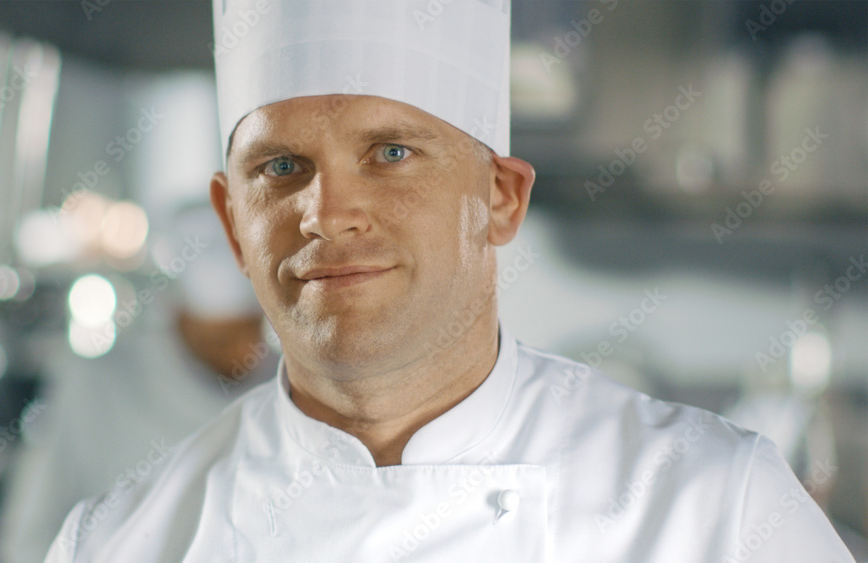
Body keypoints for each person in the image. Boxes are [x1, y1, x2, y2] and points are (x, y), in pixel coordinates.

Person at [45, 1, 855, 561]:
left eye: (391, 152)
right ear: (233, 224)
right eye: (281, 166)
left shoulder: (716, 507)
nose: (328, 213)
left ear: (500, 197)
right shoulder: (119, 540)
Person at [0, 204, 275, 563]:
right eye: (220, 338)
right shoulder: (98, 384)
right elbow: (26, 540)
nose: (240, 352)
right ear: (178, 314)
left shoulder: (294, 391)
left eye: (248, 332)